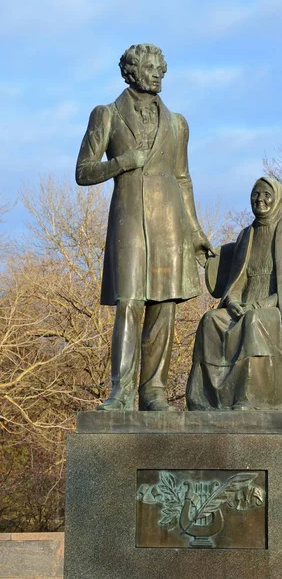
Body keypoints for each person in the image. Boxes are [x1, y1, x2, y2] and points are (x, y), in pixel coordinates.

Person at [76, 43, 214, 411]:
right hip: (130, 219)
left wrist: (195, 231)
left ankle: (153, 391)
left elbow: (183, 178)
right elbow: (83, 171)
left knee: (164, 304)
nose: (158, 74)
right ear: (131, 72)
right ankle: (121, 391)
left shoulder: (177, 123)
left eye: (161, 69)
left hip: (170, 223)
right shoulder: (105, 114)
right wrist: (121, 162)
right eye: (150, 68)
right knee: (130, 302)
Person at [186, 177, 282, 412]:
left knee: (254, 322)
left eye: (266, 194)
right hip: (246, 307)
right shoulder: (247, 235)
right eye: (255, 194)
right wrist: (234, 301)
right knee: (210, 321)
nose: (260, 199)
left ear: (277, 198)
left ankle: (252, 399)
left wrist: (262, 305)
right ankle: (205, 400)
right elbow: (238, 279)